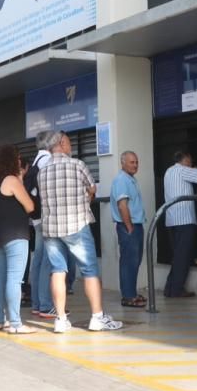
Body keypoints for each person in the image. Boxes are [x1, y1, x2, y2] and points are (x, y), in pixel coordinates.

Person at [38, 130, 122, 333]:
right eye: (67, 142)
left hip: (51, 228)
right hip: (76, 225)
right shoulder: (77, 165)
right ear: (60, 143)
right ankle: (97, 318)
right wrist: (85, 196)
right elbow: (92, 188)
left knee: (57, 271)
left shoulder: (43, 171)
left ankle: (60, 319)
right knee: (90, 270)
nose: (70, 146)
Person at [0, 145, 36, 333]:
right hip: (16, 235)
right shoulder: (12, 180)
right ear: (11, 160)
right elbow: (30, 206)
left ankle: (0, 320)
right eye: (17, 158)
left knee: (0, 279)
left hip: (0, 236)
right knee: (15, 280)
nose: (19, 161)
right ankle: (16, 324)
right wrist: (21, 180)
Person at [163, 150, 197, 298]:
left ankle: (170, 288)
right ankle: (176, 290)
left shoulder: (169, 171)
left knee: (177, 255)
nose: (191, 165)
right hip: (184, 220)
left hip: (172, 219)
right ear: (185, 160)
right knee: (182, 256)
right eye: (190, 162)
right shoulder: (183, 170)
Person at [110, 150, 146, 308]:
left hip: (136, 225)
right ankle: (128, 296)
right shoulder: (121, 180)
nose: (135, 165)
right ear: (123, 163)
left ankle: (131, 292)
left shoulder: (130, 179)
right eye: (132, 162)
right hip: (128, 226)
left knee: (134, 261)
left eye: (137, 162)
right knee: (129, 262)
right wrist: (129, 226)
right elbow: (122, 205)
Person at [27, 132, 55, 318]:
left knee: (38, 260)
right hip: (47, 217)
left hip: (37, 218)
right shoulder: (48, 161)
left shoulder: (35, 162)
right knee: (46, 261)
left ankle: (37, 303)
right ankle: (45, 304)